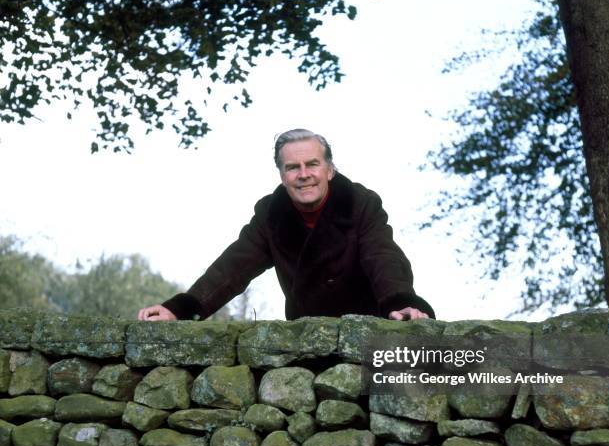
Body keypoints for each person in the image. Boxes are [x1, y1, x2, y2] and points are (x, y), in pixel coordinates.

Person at [138, 129, 434, 322]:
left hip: (369, 326)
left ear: (330, 170)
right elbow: (234, 266)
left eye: (312, 165)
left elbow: (382, 255)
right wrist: (181, 309)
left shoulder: (361, 203)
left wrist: (401, 301)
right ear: (282, 175)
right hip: (305, 332)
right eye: (293, 167)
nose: (303, 174)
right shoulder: (270, 213)